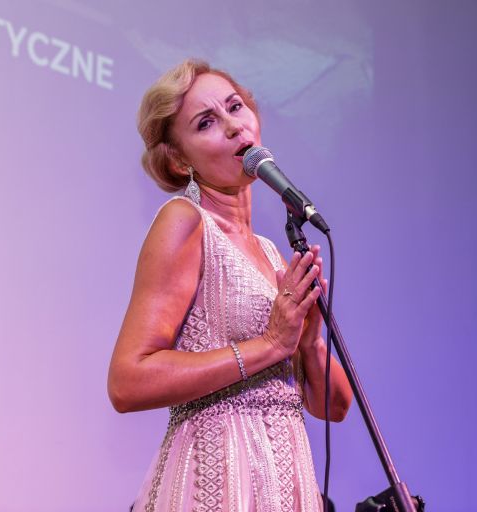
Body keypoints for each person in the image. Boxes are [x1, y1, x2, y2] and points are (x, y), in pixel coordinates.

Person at [108, 59, 353, 511]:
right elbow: (128, 382)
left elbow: (334, 408)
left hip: (286, 487)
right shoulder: (185, 222)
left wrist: (310, 341)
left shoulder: (271, 253)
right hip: (215, 482)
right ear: (179, 159)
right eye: (206, 122)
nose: (233, 126)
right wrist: (270, 344)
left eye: (235, 107)